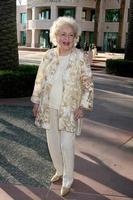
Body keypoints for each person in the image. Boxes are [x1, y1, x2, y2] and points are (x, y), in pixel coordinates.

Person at [31, 16, 94, 196]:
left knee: (66, 145)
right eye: (63, 34)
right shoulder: (48, 55)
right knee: (53, 144)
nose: (66, 39)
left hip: (70, 110)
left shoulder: (79, 57)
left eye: (71, 35)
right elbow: (40, 79)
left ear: (76, 38)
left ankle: (68, 178)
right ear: (55, 36)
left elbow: (88, 83)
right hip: (49, 107)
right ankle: (59, 170)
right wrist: (36, 101)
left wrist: (83, 106)